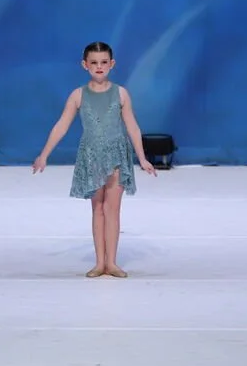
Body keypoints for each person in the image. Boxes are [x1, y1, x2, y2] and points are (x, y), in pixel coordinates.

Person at [32, 41, 156, 278]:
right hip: (92, 156)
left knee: (113, 209)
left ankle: (112, 262)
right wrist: (44, 154)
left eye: (103, 62)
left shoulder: (121, 93)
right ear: (85, 65)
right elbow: (61, 125)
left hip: (117, 155)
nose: (99, 67)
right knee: (97, 208)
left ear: (112, 64)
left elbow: (132, 126)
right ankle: (99, 262)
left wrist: (142, 158)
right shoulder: (78, 95)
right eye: (94, 63)